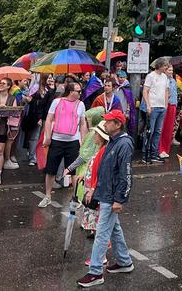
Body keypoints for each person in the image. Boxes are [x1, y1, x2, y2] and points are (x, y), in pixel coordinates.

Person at [77, 110, 135, 288]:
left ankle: (95, 272)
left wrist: (120, 199)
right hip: (106, 194)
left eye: (109, 122)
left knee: (102, 234)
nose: (105, 124)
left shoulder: (123, 144)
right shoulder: (113, 141)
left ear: (118, 124)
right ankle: (125, 262)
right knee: (114, 230)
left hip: (112, 196)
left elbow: (125, 175)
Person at [40, 82, 88, 208]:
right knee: (50, 169)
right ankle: (48, 196)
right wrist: (48, 136)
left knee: (73, 171)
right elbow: (49, 119)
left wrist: (83, 140)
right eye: (78, 91)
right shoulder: (57, 102)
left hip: (72, 142)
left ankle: (75, 198)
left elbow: (83, 123)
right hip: (56, 140)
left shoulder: (81, 104)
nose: (80, 93)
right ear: (70, 91)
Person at [76, 120, 110, 240]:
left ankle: (94, 230)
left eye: (96, 134)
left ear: (101, 137)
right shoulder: (99, 150)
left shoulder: (103, 152)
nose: (94, 136)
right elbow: (93, 168)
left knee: (94, 208)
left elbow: (100, 172)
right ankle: (90, 227)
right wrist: (84, 175)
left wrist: (92, 188)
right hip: (90, 184)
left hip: (94, 186)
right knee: (91, 207)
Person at [23, 75, 55, 166]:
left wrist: (52, 90)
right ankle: (32, 157)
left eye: (52, 78)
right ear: (44, 78)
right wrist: (39, 118)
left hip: (47, 117)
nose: (51, 80)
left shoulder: (51, 89)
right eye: (49, 78)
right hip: (37, 117)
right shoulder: (36, 88)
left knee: (43, 138)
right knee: (35, 137)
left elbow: (50, 103)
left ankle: (39, 156)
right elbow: (36, 104)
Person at [142, 59, 170, 164]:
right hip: (153, 106)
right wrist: (148, 105)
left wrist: (166, 104)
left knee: (157, 131)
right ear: (160, 66)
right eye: (165, 66)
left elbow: (166, 91)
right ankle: (146, 154)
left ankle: (154, 153)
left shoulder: (165, 77)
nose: (166, 68)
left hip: (162, 106)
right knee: (150, 131)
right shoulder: (151, 76)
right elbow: (145, 90)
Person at [158, 66, 179, 159]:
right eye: (169, 70)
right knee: (162, 128)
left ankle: (166, 149)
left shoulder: (173, 80)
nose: (171, 72)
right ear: (165, 70)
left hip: (173, 105)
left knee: (169, 128)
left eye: (172, 70)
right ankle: (160, 149)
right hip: (166, 104)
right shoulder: (163, 80)